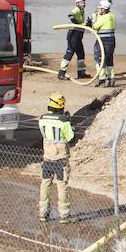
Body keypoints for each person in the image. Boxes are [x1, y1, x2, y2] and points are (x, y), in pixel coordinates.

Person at [38, 93, 75, 222]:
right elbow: (71, 137)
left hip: (47, 157)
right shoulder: (63, 121)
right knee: (62, 185)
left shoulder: (42, 118)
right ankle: (64, 215)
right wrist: (70, 123)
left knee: (45, 183)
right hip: (61, 158)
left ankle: (43, 212)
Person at [57, 0, 92, 81]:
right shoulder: (76, 10)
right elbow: (70, 16)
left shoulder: (82, 11)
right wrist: (77, 24)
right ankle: (61, 73)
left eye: (84, 2)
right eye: (81, 2)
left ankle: (81, 73)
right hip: (73, 35)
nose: (83, 4)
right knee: (69, 53)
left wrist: (87, 24)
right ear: (77, 3)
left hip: (78, 36)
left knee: (81, 54)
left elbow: (81, 23)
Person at [91, 0, 117, 86]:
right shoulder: (112, 16)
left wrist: (94, 19)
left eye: (100, 8)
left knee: (100, 59)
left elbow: (95, 26)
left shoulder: (103, 18)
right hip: (111, 40)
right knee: (109, 59)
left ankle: (101, 79)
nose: (98, 10)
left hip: (102, 41)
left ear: (104, 9)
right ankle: (111, 77)